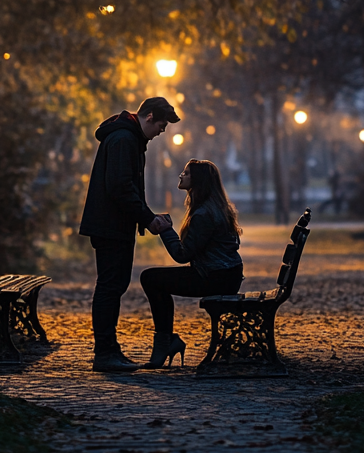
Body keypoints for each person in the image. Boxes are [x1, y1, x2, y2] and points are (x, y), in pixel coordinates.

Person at [79, 96, 179, 372]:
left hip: (113, 225)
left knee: (113, 286)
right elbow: (121, 188)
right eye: (160, 125)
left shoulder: (127, 137)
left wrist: (146, 217)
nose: (161, 132)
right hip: (111, 227)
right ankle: (105, 352)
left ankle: (109, 350)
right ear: (148, 118)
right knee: (110, 287)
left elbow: (123, 188)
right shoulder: (124, 139)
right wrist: (148, 219)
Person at [139, 159, 243, 368]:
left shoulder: (204, 214)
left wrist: (166, 229)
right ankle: (166, 341)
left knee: (150, 278)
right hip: (223, 275)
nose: (181, 175)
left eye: (186, 173)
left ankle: (165, 342)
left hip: (216, 278)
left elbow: (182, 255)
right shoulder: (214, 208)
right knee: (153, 279)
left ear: (198, 181)